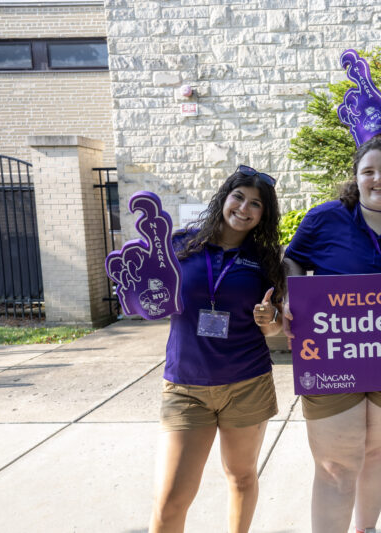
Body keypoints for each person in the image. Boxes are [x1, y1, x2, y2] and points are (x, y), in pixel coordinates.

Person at [282, 137, 381, 533]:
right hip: (333, 354)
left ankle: (365, 529)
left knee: (378, 450)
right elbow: (293, 260)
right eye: (368, 171)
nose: (378, 178)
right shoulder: (324, 219)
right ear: (356, 178)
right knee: (336, 465)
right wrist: (290, 298)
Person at [149, 166, 285, 533]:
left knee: (241, 479)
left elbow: (276, 329)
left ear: (263, 214)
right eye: (238, 197)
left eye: (256, 204)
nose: (244, 208)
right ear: (224, 198)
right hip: (186, 386)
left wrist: (268, 318)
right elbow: (151, 300)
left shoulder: (266, 260)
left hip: (247, 384)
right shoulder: (181, 245)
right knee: (171, 500)